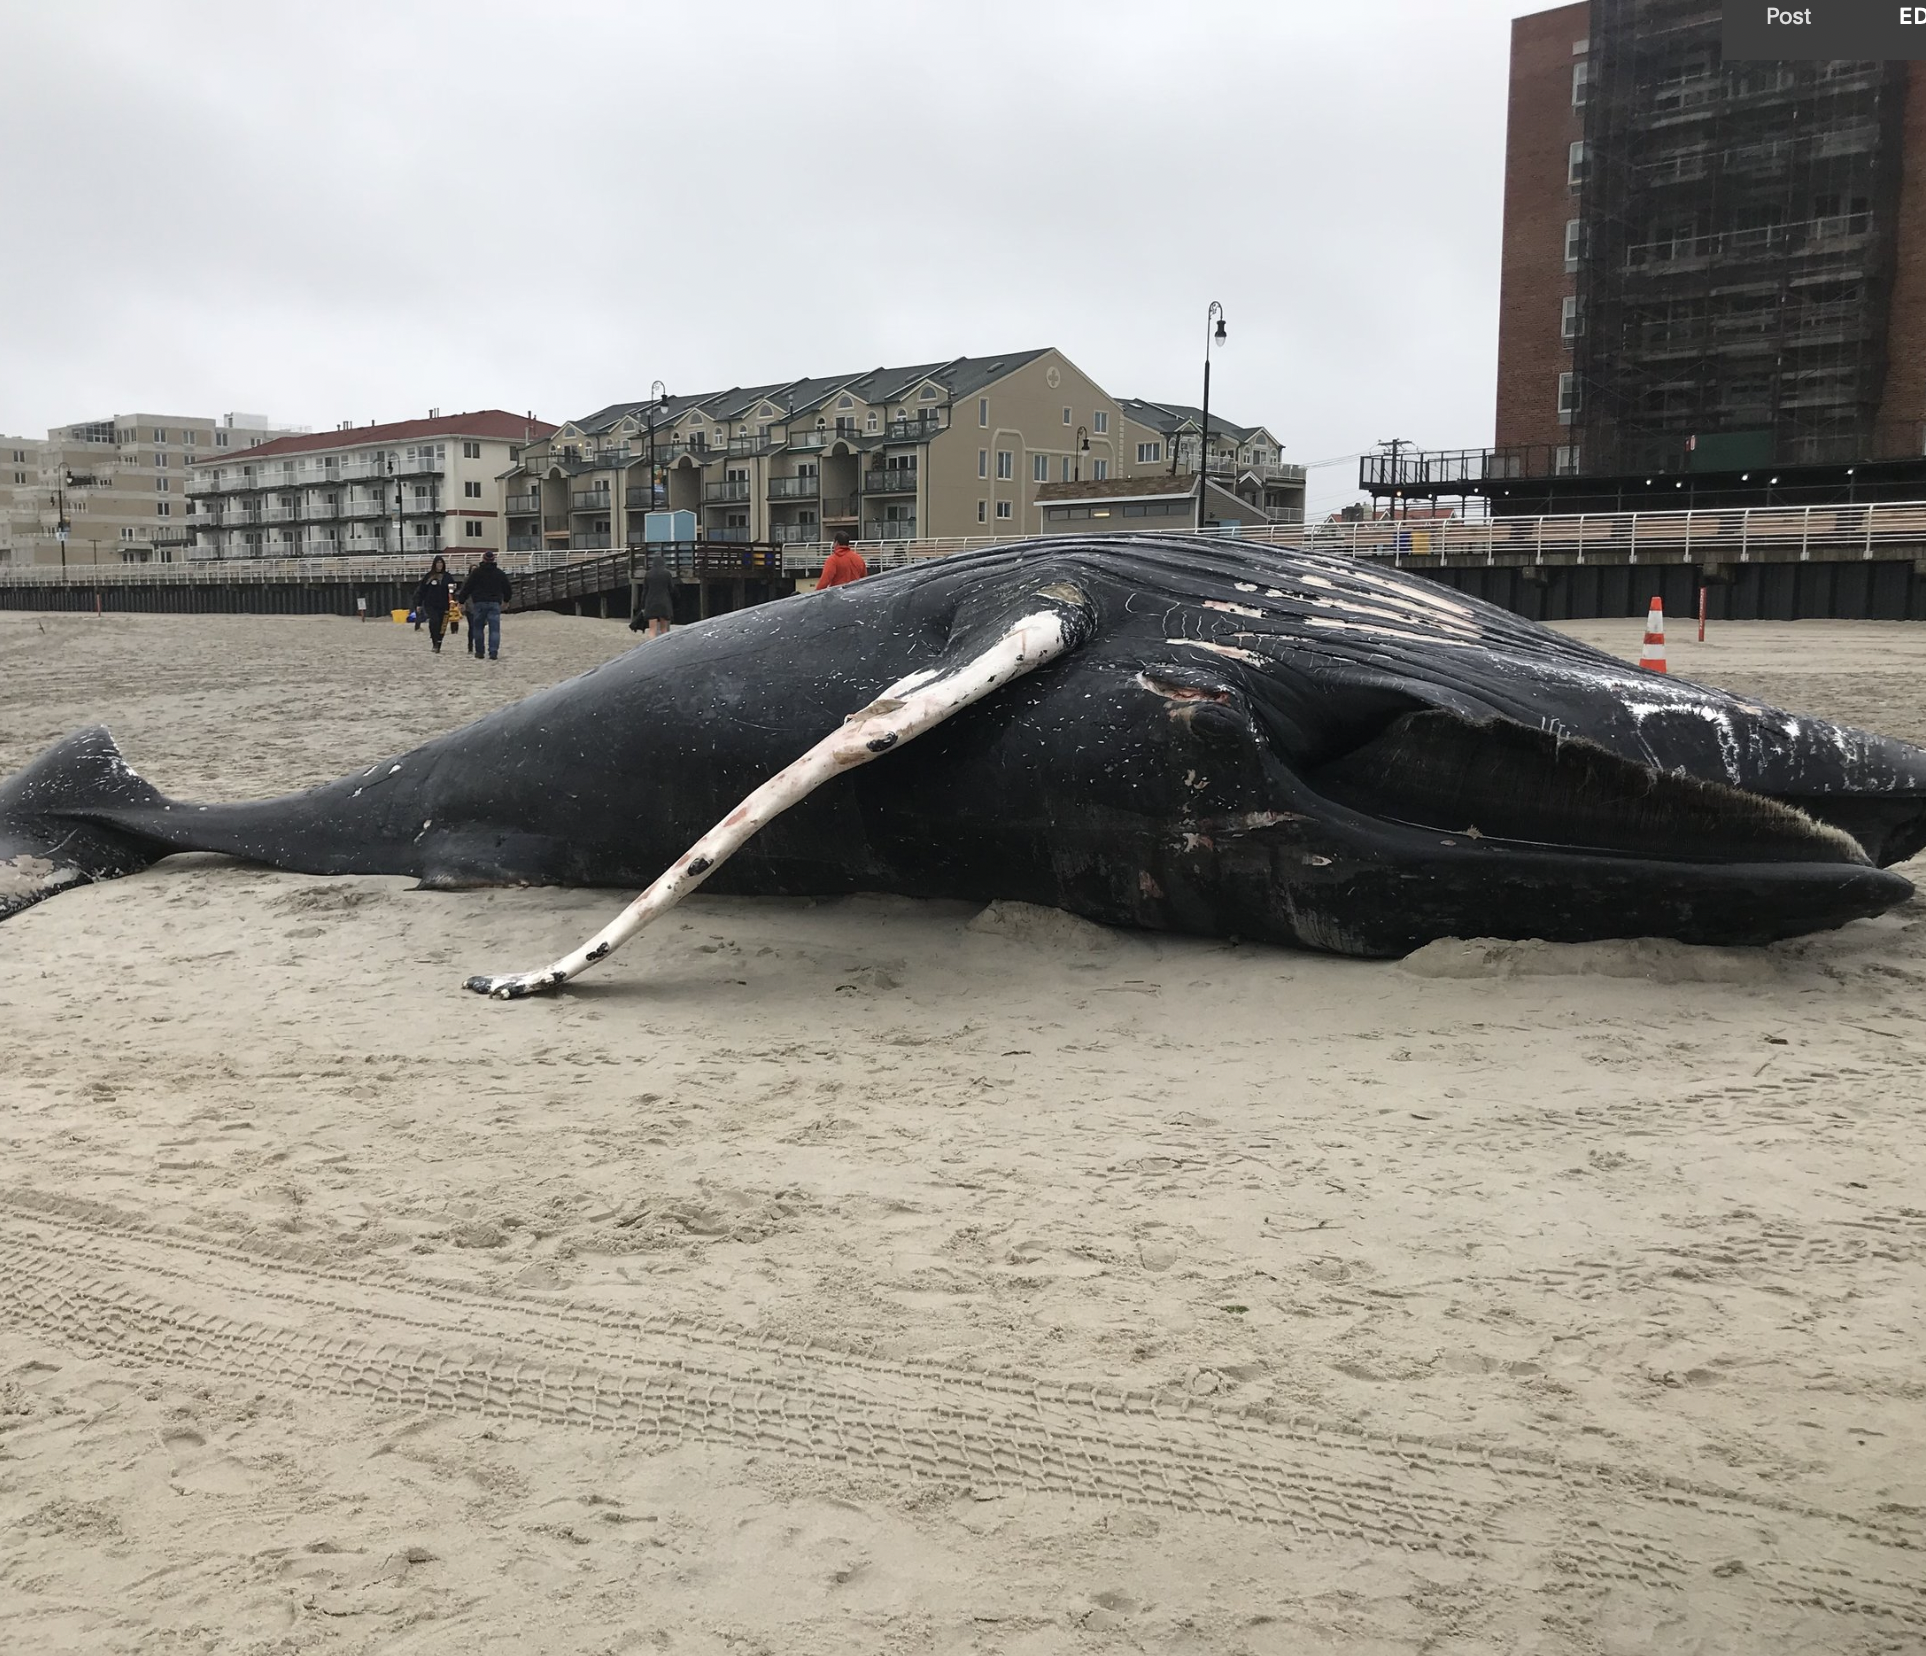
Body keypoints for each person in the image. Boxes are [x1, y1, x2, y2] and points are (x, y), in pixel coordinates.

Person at [457, 548, 513, 661]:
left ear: (483, 559)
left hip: (479, 603)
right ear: (493, 560)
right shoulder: (499, 573)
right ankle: (493, 652)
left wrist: (461, 601)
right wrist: (506, 600)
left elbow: (467, 587)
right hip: (494, 603)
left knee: (478, 628)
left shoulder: (476, 573)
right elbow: (507, 588)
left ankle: (479, 652)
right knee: (494, 629)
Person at [411, 555, 459, 654]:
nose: (439, 565)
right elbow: (422, 590)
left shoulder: (447, 576)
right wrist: (419, 604)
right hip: (430, 604)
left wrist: (453, 599)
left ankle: (439, 642)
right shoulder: (429, 576)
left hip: (444, 604)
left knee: (442, 625)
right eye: (438, 563)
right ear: (434, 564)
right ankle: (434, 641)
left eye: (441, 563)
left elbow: (452, 590)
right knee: (434, 621)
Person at [628, 550, 675, 639]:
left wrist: (642, 606)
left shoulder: (648, 574)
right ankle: (664, 644)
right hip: (664, 603)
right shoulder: (667, 574)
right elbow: (672, 589)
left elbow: (644, 591)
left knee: (652, 629)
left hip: (651, 603)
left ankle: (651, 643)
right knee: (664, 629)